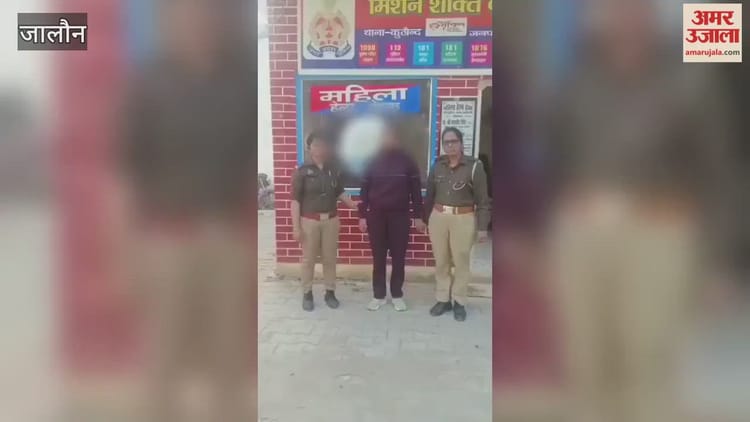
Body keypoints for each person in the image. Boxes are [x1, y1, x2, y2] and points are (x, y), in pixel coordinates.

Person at [118, 1, 255, 420]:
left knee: (229, 351)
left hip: (226, 240)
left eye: (205, 13)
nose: (197, 21)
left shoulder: (241, 82)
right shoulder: (148, 84)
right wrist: (125, 251)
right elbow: (123, 173)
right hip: (167, 240)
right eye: (186, 13)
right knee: (164, 351)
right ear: (170, 22)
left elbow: (251, 165)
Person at [425, 127, 491, 321]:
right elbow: (429, 195)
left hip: (463, 219)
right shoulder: (437, 165)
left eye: (454, 141)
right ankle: (443, 299)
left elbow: (483, 201)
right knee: (441, 261)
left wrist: (482, 228)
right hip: (438, 218)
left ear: (461, 143)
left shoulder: (474, 166)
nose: (450, 146)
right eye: (446, 143)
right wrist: (423, 218)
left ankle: (459, 301)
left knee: (461, 262)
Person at [358, 125, 426, 311]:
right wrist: (362, 216)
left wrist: (418, 216)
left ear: (396, 139)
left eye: (391, 137)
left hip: (400, 216)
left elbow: (416, 192)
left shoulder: (407, 161)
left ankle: (397, 295)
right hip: (376, 216)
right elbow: (364, 191)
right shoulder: (371, 161)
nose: (387, 140)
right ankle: (378, 295)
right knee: (378, 257)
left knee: (398, 257)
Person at [291, 130, 357, 311]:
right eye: (316, 145)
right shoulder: (302, 172)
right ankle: (307, 293)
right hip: (309, 222)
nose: (320, 148)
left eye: (322, 145)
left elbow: (339, 192)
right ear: (309, 148)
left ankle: (330, 292)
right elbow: (295, 201)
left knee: (330, 259)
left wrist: (352, 204)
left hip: (331, 221)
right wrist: (296, 227)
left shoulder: (332, 169)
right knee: (309, 260)